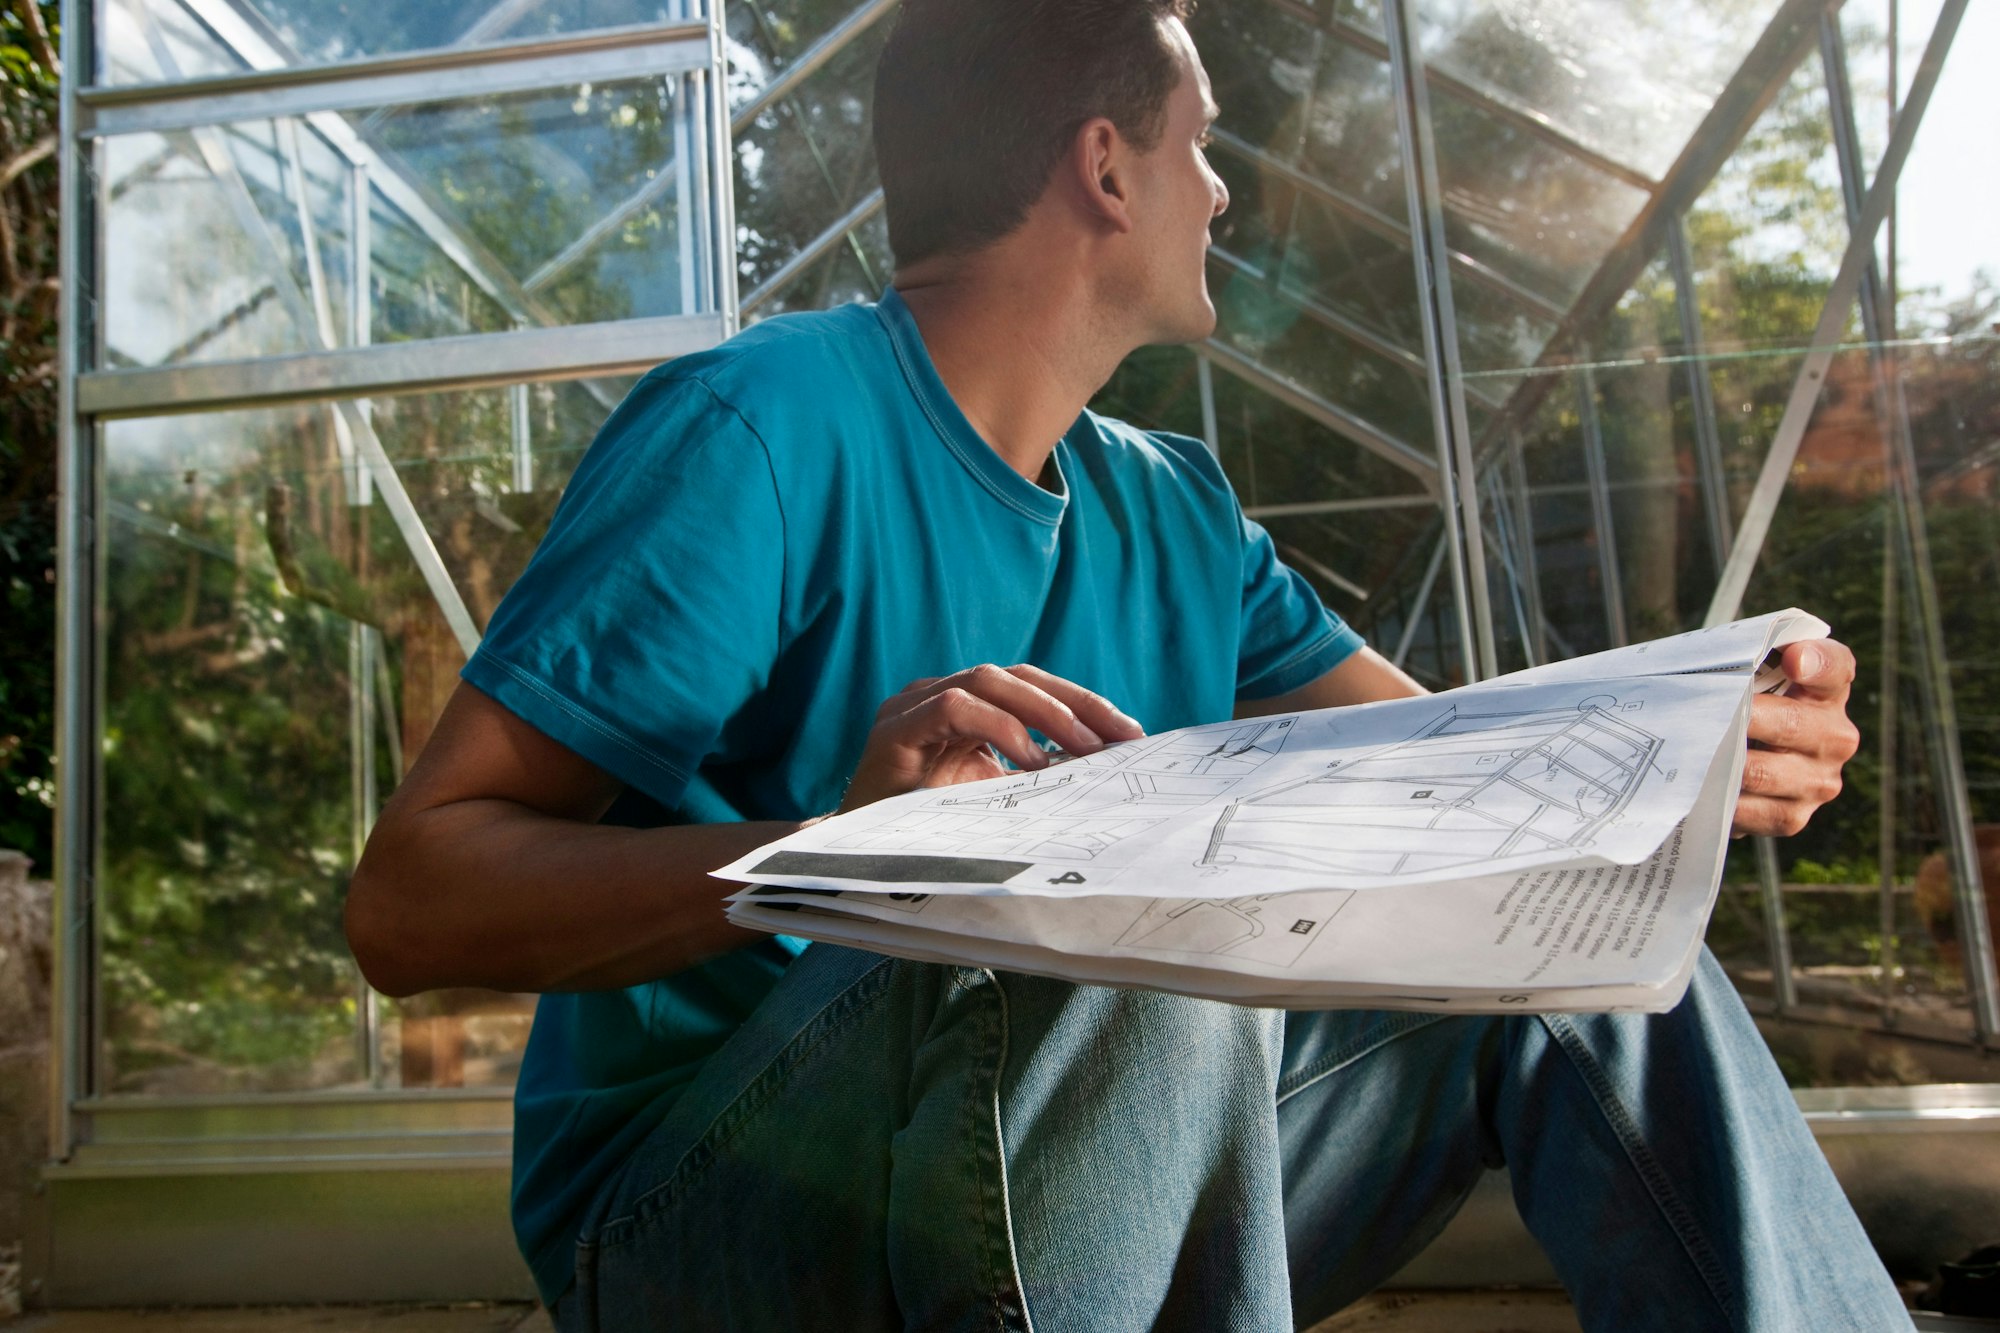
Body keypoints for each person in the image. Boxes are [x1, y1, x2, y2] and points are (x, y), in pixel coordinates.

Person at [345, 2, 1909, 1328]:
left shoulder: (1179, 506)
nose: (1221, 194)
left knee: (1585, 958)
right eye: (1202, 144)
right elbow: (411, 900)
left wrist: (1709, 729)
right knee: (1114, 913)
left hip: (1061, 1174)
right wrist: (856, 856)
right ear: (1105, 166)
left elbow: (1475, 784)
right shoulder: (764, 431)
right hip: (701, 1214)